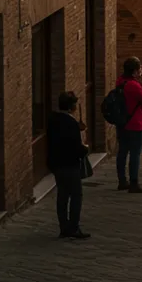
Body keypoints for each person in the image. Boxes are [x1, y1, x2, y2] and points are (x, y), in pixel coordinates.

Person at [48, 91, 90, 239]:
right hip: (70, 164)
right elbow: (75, 147)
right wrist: (85, 149)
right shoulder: (70, 123)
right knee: (76, 196)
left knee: (62, 196)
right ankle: (73, 227)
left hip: (56, 164)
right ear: (72, 107)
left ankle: (63, 227)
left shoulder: (53, 120)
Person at [116, 57, 142, 193]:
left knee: (122, 152)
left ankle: (122, 180)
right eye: (139, 68)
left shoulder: (120, 81)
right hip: (135, 123)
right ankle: (134, 183)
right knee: (135, 154)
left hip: (123, 123)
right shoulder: (133, 85)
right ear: (134, 72)